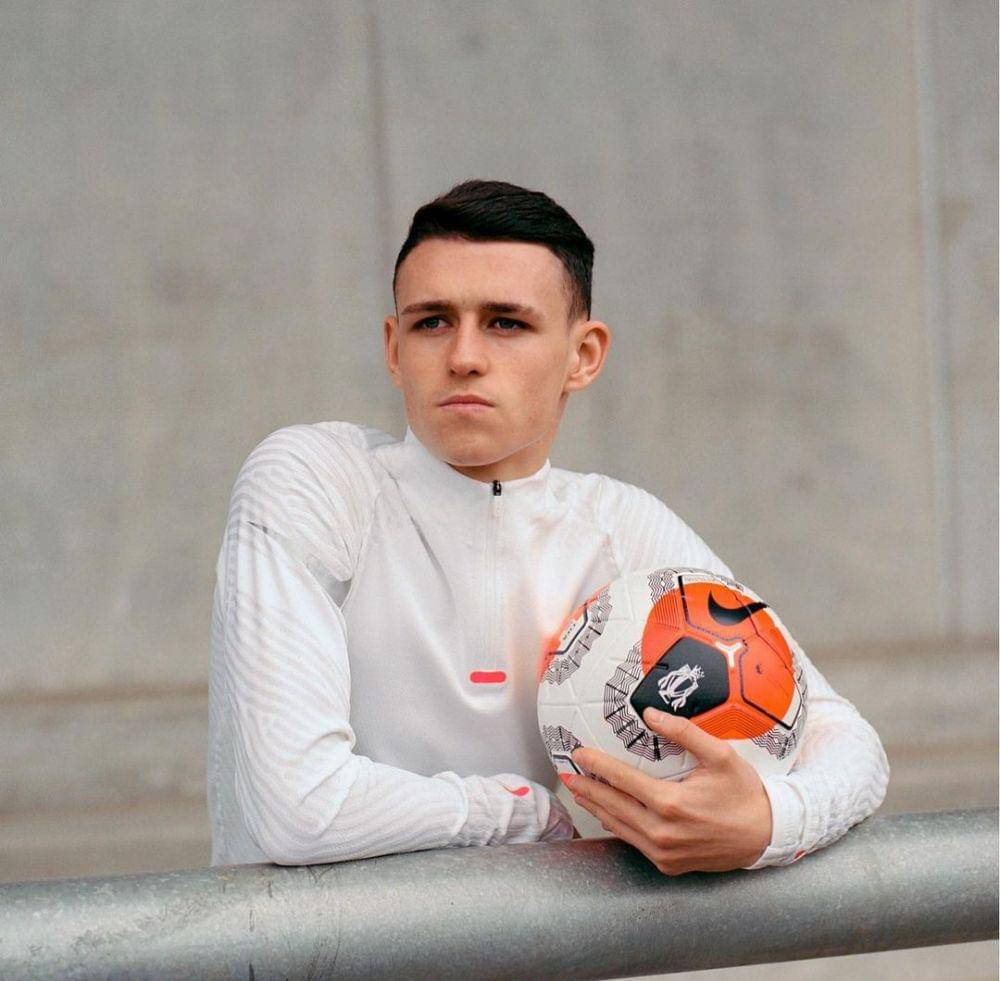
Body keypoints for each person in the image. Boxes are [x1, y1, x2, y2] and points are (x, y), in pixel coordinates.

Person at [207, 179, 889, 874]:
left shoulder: (617, 528)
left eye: (506, 323)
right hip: (310, 939)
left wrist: (767, 821)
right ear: (393, 348)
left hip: (519, 936)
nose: (463, 355)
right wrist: (521, 813)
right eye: (432, 321)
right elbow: (299, 811)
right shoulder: (319, 481)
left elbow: (842, 737)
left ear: (583, 355)